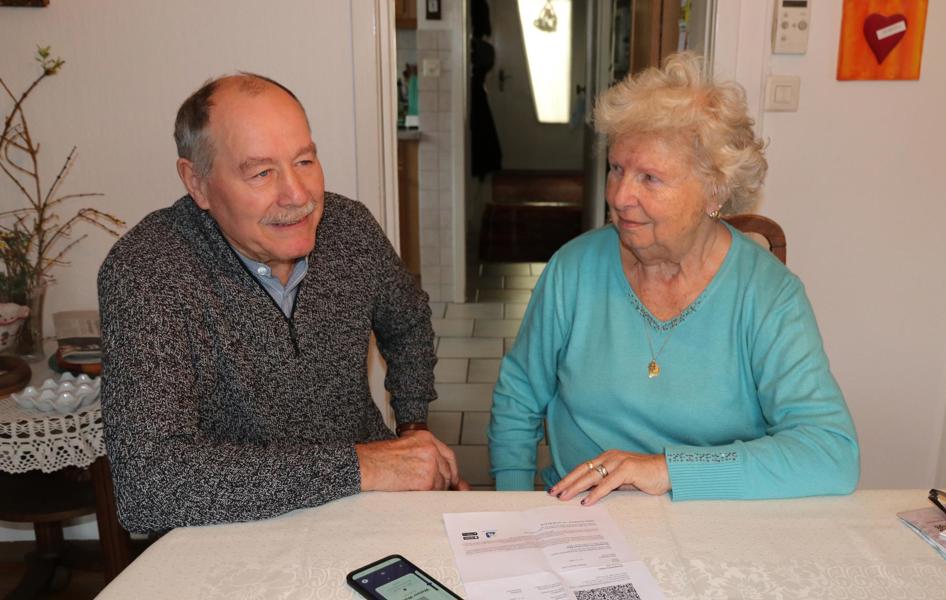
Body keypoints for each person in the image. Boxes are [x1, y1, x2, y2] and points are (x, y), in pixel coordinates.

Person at [99, 74, 467, 533]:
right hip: (230, 534)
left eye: (305, 160)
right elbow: (148, 486)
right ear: (197, 182)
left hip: (367, 513)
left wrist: (413, 427)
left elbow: (408, 322)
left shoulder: (350, 228)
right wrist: (363, 466)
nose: (299, 196)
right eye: (261, 172)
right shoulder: (149, 270)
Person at [488, 52, 859, 505]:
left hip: (710, 519)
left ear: (714, 191)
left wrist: (668, 471)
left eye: (650, 178)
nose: (621, 196)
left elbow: (831, 453)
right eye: (617, 169)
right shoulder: (574, 268)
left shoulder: (768, 296)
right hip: (583, 516)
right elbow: (518, 396)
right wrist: (510, 505)